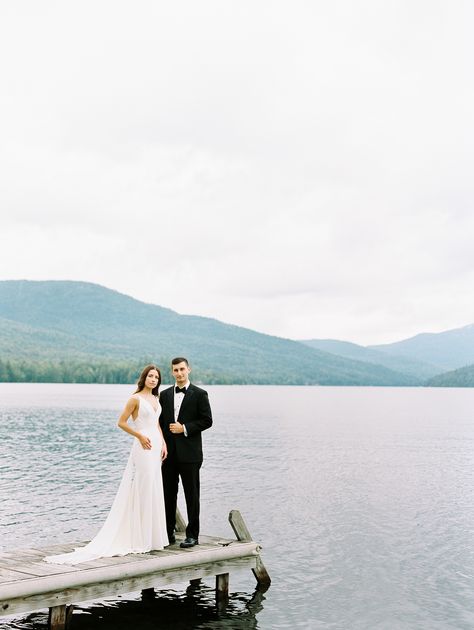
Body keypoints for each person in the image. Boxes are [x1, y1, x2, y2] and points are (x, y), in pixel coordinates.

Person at [44, 365, 169, 565]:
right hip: (143, 446)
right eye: (150, 376)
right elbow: (122, 422)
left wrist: (163, 443)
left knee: (154, 487)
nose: (153, 379)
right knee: (143, 487)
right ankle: (139, 537)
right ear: (144, 378)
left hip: (156, 448)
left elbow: (156, 424)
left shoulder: (156, 399)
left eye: (156, 377)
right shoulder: (135, 398)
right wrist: (139, 436)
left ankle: (152, 537)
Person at [159, 357, 213, 548]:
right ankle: (167, 533)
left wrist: (185, 428)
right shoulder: (164, 395)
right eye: (175, 370)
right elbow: (159, 424)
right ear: (172, 372)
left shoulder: (200, 394)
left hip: (190, 455)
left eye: (182, 369)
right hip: (168, 455)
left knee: (192, 495)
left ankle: (192, 535)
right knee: (168, 494)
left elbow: (207, 421)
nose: (179, 373)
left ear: (188, 369)